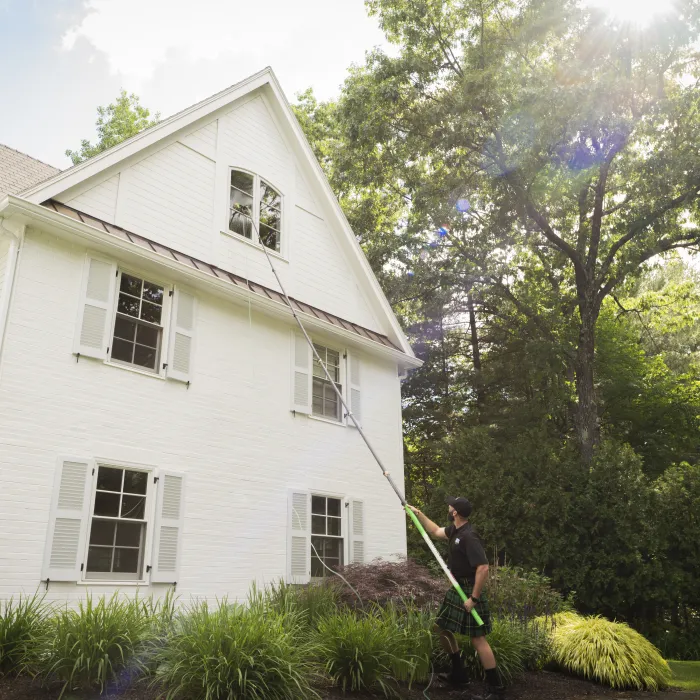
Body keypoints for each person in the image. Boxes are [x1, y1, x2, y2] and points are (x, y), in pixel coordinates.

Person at [409, 497, 505, 699]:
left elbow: (483, 567)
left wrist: (474, 598)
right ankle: (459, 673)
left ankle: (496, 689)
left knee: (478, 639)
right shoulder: (455, 530)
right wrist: (418, 513)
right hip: (457, 587)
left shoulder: (469, 536)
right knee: (441, 628)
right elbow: (435, 531)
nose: (448, 506)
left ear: (455, 512)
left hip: (470, 589)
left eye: (450, 506)